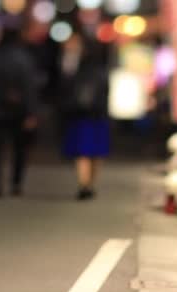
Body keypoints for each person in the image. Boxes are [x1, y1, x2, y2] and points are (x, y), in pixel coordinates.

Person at [0, 29, 38, 198]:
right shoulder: (25, 60)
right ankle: (16, 183)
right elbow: (30, 89)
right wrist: (31, 113)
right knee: (19, 149)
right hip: (19, 112)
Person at [59, 32, 110, 200]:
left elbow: (65, 87)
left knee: (83, 152)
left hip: (81, 115)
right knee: (95, 152)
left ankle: (84, 184)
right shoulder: (102, 69)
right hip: (98, 114)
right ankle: (90, 184)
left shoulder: (74, 66)